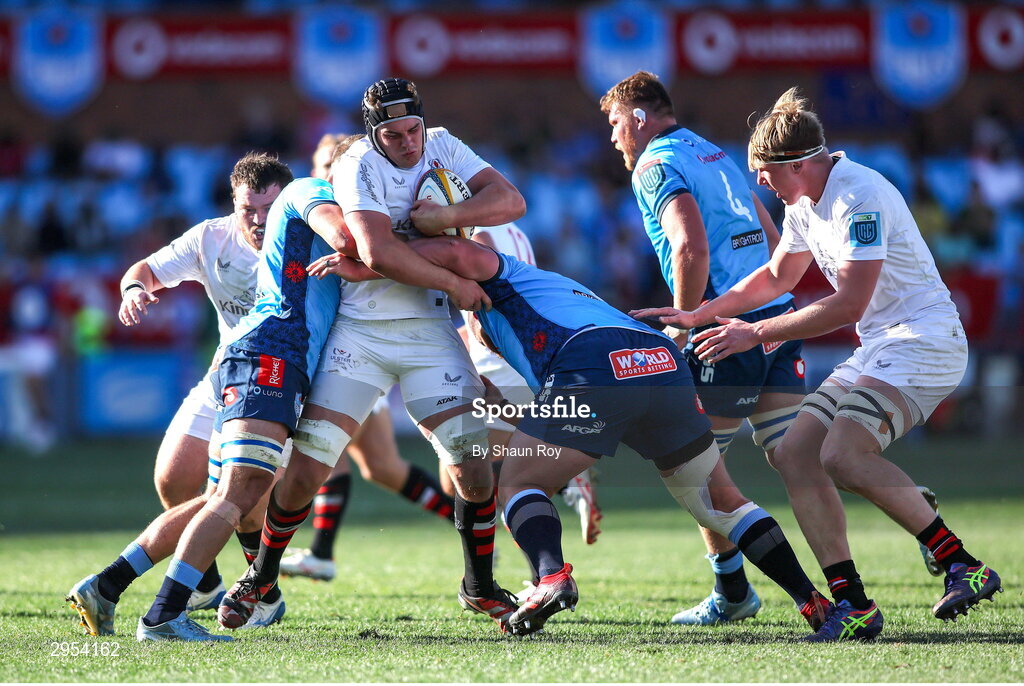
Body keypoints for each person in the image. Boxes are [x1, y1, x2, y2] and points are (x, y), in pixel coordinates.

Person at [309, 236, 832, 639]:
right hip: (659, 359)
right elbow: (542, 408)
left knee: (516, 483)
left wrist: (374, 256)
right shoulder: (552, 291)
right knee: (719, 499)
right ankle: (816, 604)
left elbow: (454, 250)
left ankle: (550, 576)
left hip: (596, 360)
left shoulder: (496, 271)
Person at [631, 87, 1002, 641]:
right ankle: (852, 602)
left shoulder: (858, 196)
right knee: (796, 452)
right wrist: (702, 314)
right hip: (881, 346)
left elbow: (848, 303)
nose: (761, 183)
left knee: (842, 455)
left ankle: (962, 565)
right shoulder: (803, 200)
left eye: (766, 172)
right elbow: (777, 277)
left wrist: (752, 332)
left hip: (925, 342)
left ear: (799, 165)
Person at [218, 78, 524, 633]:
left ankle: (478, 586)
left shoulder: (443, 143)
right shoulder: (357, 162)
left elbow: (510, 201)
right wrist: (451, 272)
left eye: (413, 130)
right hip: (361, 331)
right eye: (394, 133)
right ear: (372, 133)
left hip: (430, 331)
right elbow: (371, 250)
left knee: (475, 471)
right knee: (310, 469)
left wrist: (439, 222)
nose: (409, 143)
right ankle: (261, 577)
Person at [600, 70, 805, 625]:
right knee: (799, 457)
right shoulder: (711, 150)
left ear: (639, 118)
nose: (615, 137)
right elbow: (767, 226)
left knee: (695, 469)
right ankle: (914, 518)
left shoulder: (655, 163)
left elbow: (689, 248)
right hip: (773, 323)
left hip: (722, 334)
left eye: (617, 123)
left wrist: (686, 326)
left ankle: (734, 592)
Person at [65, 153, 297, 637]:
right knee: (176, 482)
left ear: (288, 203)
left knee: (232, 497)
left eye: (267, 210)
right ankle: (232, 589)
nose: (256, 221)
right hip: (226, 375)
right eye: (246, 209)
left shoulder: (309, 240)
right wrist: (134, 290)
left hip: (280, 383)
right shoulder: (211, 237)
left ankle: (245, 590)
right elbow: (145, 269)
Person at [281, 132, 458, 583]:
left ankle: (318, 554)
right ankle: (466, 526)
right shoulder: (311, 209)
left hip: (355, 350)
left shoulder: (357, 215)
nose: (322, 174)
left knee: (341, 461)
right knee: (378, 468)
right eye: (318, 164)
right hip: (337, 352)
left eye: (330, 165)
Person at [461, 222, 602, 550]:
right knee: (486, 474)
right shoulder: (514, 231)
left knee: (496, 482)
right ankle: (568, 476)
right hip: (521, 353)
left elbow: (481, 306)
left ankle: (541, 572)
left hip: (496, 359)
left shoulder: (475, 237)